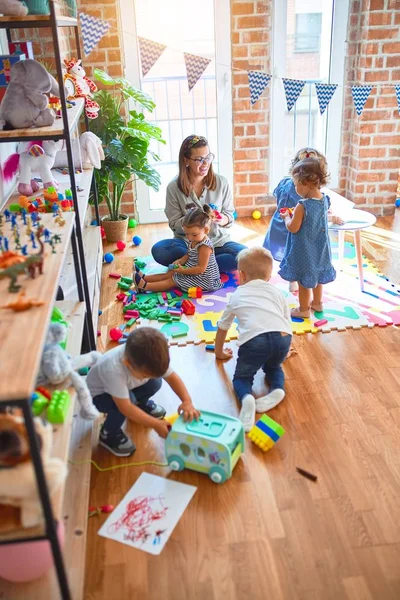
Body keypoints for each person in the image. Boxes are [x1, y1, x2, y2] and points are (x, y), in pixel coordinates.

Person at [86, 328, 200, 457]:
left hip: (124, 387)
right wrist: (155, 424)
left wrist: (187, 401)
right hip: (98, 397)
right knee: (129, 402)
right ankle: (108, 433)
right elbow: (125, 407)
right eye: (145, 375)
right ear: (127, 363)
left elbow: (172, 377)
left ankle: (141, 405)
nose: (147, 377)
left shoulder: (152, 356)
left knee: (155, 382)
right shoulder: (113, 370)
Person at [214, 247, 292, 432]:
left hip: (254, 341)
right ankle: (278, 390)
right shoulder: (277, 293)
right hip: (282, 337)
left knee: (242, 378)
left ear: (241, 275)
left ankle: (247, 399)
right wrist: (286, 348)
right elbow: (286, 321)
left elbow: (223, 326)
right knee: (274, 367)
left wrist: (219, 352)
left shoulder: (237, 295)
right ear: (269, 274)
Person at [151, 135, 246, 272]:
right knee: (159, 250)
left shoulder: (221, 183)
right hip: (187, 244)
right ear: (186, 160)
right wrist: (194, 219)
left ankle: (196, 267)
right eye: (199, 159)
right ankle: (205, 266)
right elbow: (174, 225)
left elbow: (230, 217)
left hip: (217, 243)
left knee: (244, 255)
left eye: (208, 157)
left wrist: (222, 219)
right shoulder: (173, 188)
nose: (206, 163)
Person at [263, 147, 329, 292]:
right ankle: (292, 280)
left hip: (279, 224)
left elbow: (278, 200)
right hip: (294, 228)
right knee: (293, 255)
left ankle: (264, 275)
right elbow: (316, 214)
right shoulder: (316, 196)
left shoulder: (284, 183)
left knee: (272, 252)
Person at [279, 157, 336, 318]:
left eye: (296, 185)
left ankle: (303, 309)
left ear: (307, 183)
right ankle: (317, 303)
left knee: (304, 280)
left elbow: (293, 227)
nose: (295, 188)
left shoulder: (302, 206)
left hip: (304, 249)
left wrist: (286, 218)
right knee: (317, 277)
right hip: (320, 248)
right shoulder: (324, 200)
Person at [134, 204, 223, 293]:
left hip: (204, 280)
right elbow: (188, 254)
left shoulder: (204, 247)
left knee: (173, 280)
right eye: (187, 234)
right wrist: (180, 261)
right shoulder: (194, 240)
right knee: (171, 273)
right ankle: (144, 277)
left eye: (194, 234)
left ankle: (144, 286)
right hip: (193, 272)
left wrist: (183, 270)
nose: (190, 238)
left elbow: (201, 269)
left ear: (206, 230)